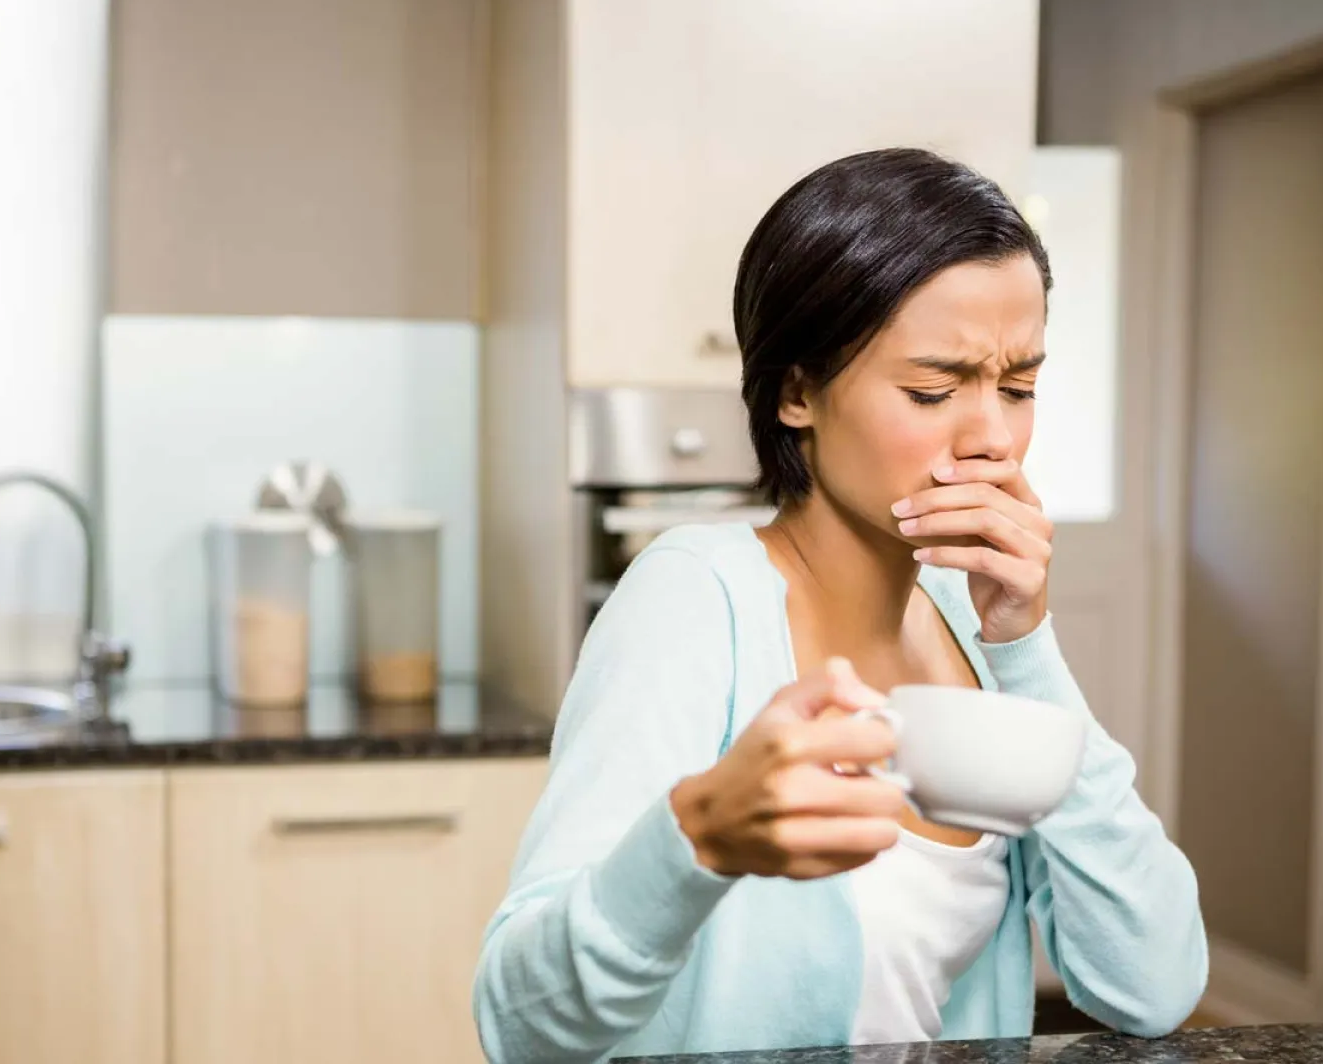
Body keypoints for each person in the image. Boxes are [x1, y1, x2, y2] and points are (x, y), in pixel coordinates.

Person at [471, 148, 1207, 1063]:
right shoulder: (694, 599)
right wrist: (693, 840)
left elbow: (1153, 985)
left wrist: (1027, 647)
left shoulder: (973, 626)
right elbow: (521, 1025)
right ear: (796, 392)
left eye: (1018, 388)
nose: (992, 439)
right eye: (933, 390)